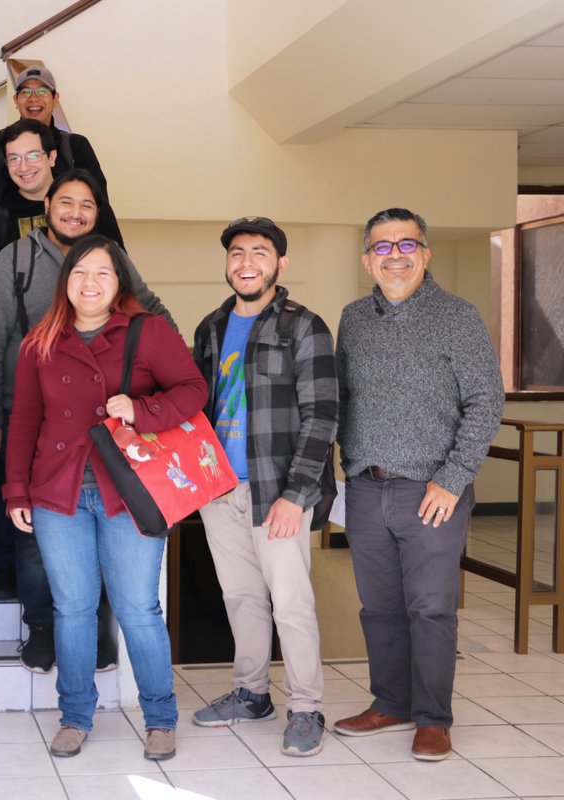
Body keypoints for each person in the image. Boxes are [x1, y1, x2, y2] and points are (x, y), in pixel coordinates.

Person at [3, 234, 207, 760]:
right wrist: (16, 490)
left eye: (102, 273)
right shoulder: (40, 342)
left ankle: (160, 718)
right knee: (72, 609)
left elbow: (192, 389)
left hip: (131, 491)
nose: (89, 283)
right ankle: (75, 715)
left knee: (138, 608)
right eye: (79, 273)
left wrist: (143, 411)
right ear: (64, 281)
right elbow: (24, 420)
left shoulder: (147, 331)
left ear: (119, 284)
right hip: (59, 492)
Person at [0, 169, 174, 670]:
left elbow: (154, 317)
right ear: (48, 205)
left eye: (87, 205)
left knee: (109, 537)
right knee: (37, 541)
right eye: (66, 202)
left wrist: (151, 371)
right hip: (30, 415)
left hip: (107, 434)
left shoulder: (115, 259)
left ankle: (97, 631)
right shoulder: (16, 258)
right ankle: (42, 627)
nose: (76, 213)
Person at [332, 208, 503, 761]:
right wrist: (343, 469)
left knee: (430, 608)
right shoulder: (354, 318)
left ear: (425, 254)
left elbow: (485, 402)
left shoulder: (459, 316)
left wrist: (452, 480)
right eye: (383, 247)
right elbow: (341, 399)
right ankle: (391, 702)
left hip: (432, 492)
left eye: (408, 245)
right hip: (364, 487)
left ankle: (432, 717)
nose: (396, 256)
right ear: (367, 260)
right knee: (378, 607)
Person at [191, 217, 338, 756]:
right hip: (220, 489)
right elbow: (195, 406)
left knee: (291, 603)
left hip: (277, 490)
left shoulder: (304, 326)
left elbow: (322, 415)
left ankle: (306, 707)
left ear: (280, 263)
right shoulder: (211, 326)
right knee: (241, 598)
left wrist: (296, 495)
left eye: (258, 251)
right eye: (236, 252)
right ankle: (251, 694)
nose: (245, 261)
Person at [0, 119, 122, 305]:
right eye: (14, 158)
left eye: (32, 156)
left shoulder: (90, 208)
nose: (23, 167)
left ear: (52, 157)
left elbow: (120, 272)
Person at [0, 66, 112, 192]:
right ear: (16, 100)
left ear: (55, 99)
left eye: (42, 91)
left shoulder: (76, 147)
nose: (33, 98)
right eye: (25, 92)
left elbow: (98, 202)